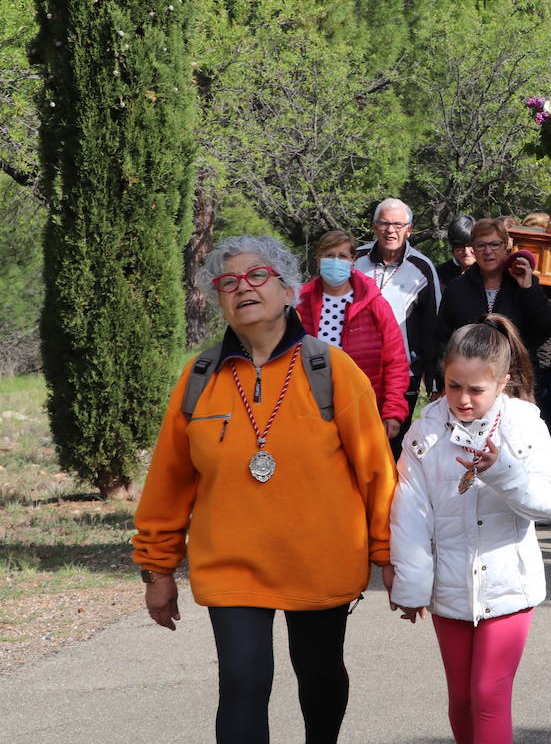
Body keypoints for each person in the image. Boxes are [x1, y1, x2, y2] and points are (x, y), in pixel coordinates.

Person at [133, 235, 395, 743]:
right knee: (242, 684)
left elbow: (376, 473)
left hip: (320, 559)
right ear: (219, 301)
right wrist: (157, 568)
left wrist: (389, 555)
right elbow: (167, 484)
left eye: (256, 276)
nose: (242, 288)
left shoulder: (332, 369)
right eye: (228, 282)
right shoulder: (199, 377)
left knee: (319, 677)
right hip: (231, 562)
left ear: (287, 289)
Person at [389, 315, 551, 743]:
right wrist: (410, 588)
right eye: (453, 386)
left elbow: (547, 502)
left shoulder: (525, 424)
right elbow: (411, 513)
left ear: (502, 383)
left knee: (488, 695)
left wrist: (502, 470)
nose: (463, 399)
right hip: (449, 588)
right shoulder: (424, 433)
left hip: (509, 585)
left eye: (476, 390)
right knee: (462, 700)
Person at [297, 229, 410, 444]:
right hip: (311, 409)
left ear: (353, 260)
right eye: (329, 255)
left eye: (342, 256)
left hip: (363, 409)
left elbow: (395, 360)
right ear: (318, 259)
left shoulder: (374, 302)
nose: (335, 261)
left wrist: (393, 410)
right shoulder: (301, 303)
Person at [437, 218, 551, 403]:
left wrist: (528, 289)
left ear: (506, 247)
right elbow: (441, 338)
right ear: (473, 249)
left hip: (513, 384)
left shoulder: (523, 284)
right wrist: (442, 383)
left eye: (495, 244)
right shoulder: (456, 288)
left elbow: (546, 327)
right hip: (468, 385)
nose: (488, 251)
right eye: (481, 245)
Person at [356, 197, 443, 455]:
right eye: (383, 223)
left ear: (409, 229)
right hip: (356, 370)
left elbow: (434, 328)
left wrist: (435, 382)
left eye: (397, 224)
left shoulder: (423, 268)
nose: (390, 230)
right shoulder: (355, 259)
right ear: (374, 227)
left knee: (391, 447)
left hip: (403, 374)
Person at [436, 215, 477, 289]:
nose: (466, 252)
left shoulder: (492, 271)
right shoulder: (439, 275)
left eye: (471, 245)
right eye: (459, 245)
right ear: (452, 245)